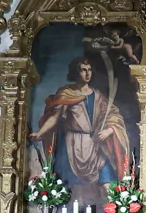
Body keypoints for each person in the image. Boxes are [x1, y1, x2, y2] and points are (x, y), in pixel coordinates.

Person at [29, 57, 130, 190]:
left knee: (108, 186)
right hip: (73, 145)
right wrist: (40, 132)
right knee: (69, 188)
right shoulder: (67, 94)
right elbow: (55, 117)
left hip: (95, 146)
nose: (88, 74)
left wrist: (109, 130)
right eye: (83, 70)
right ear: (76, 72)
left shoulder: (98, 96)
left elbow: (114, 116)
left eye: (89, 70)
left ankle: (114, 210)